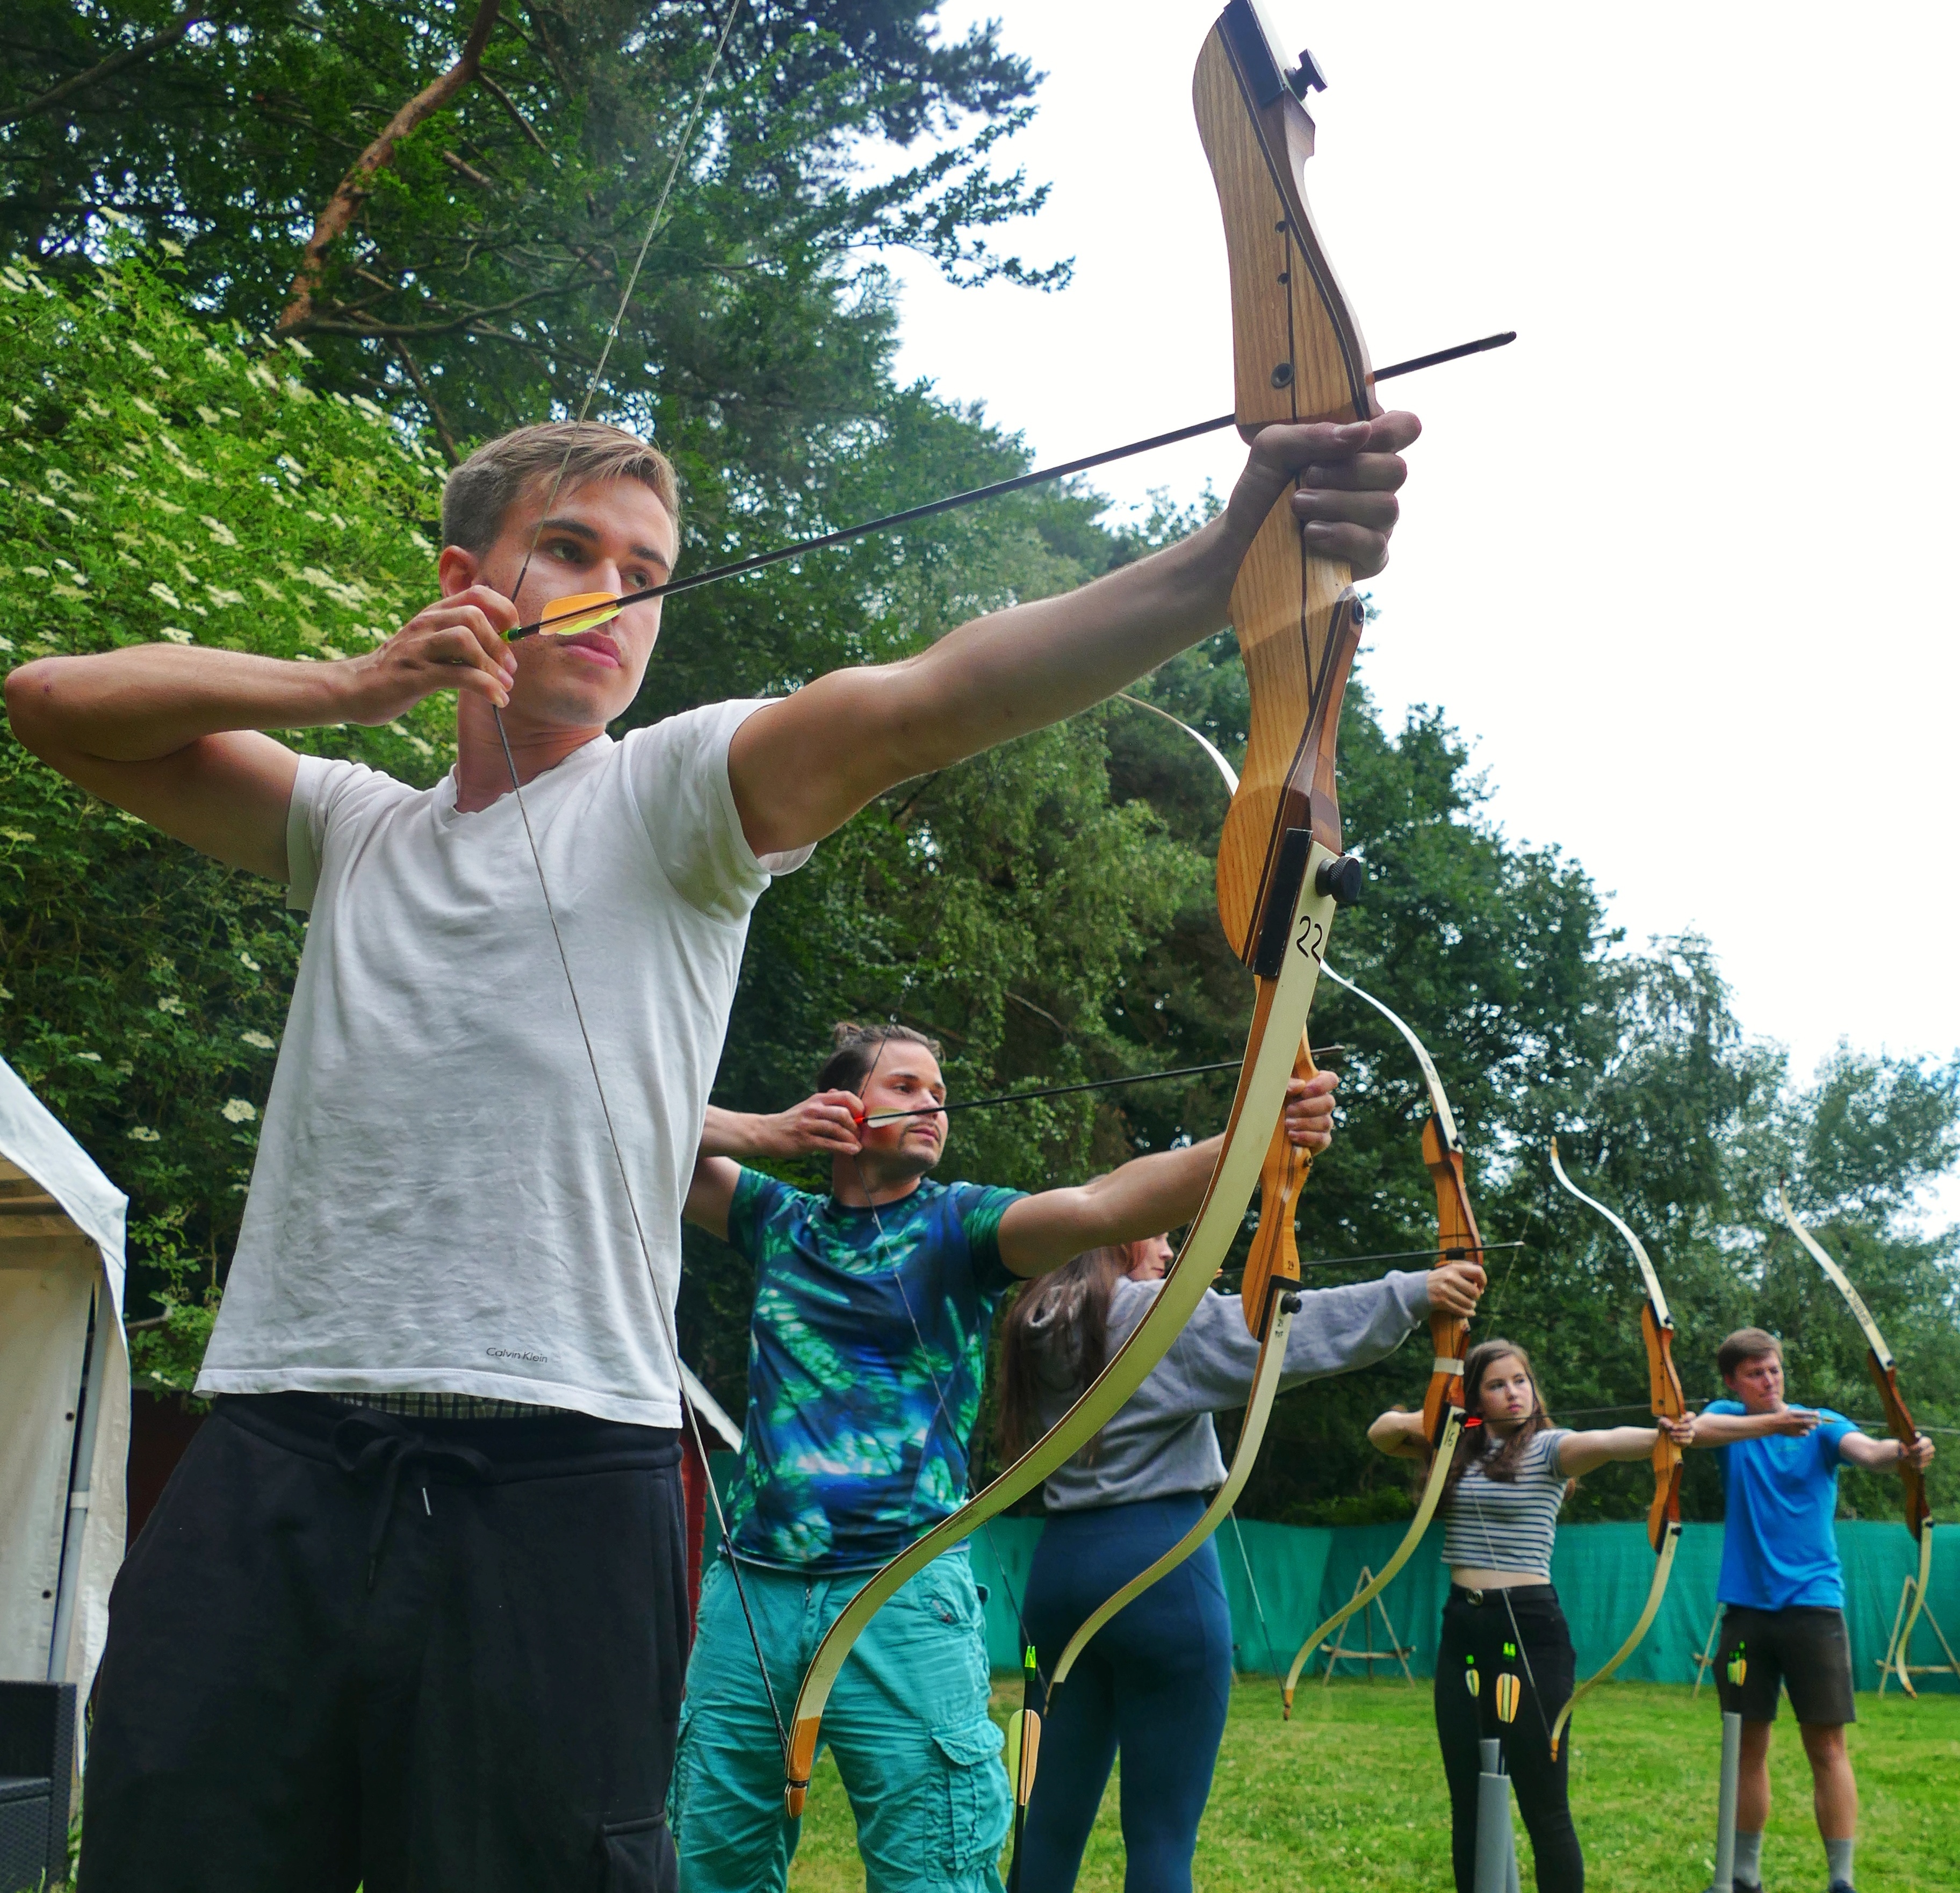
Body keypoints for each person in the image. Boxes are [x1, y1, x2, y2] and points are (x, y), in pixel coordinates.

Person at [5, 404, 1415, 1892]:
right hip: (277, 1442)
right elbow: (51, 699)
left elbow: (925, 696)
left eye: (649, 567)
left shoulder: (675, 796)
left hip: (555, 1468)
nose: (617, 590)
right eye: (569, 548)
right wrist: (345, 684)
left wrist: (1223, 562)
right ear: (462, 576)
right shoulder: (350, 825)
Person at [673, 1023, 1336, 1893]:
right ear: (840, 1107)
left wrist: (1252, 1137)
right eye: (905, 1085)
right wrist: (763, 1132)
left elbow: (1105, 1205)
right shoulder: (774, 1217)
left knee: (934, 1871)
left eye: (938, 1092)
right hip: (748, 1591)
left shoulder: (960, 1224)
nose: (932, 1104)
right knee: (705, 1862)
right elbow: (627, 1119)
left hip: (903, 1593)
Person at [995, 1228, 1486, 1892]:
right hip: (1160, 1568)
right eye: (1158, 1234)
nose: (1170, 1250)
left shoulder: (1033, 1322)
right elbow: (1283, 1334)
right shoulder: (1151, 1315)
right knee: (1162, 1837)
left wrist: (1191, 1288)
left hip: (1059, 1576)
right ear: (1115, 1237)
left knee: (1047, 1819)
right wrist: (1414, 1292)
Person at [1369, 1337, 1696, 1893]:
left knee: (1544, 1803)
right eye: (1496, 1384)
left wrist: (1664, 1435)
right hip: (1463, 1626)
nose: (1513, 1392)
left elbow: (1613, 1443)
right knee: (1468, 1800)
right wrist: (1440, 1416)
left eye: (1520, 1380)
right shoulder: (1454, 1445)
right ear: (1474, 1396)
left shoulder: (1550, 1447)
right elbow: (1381, 1432)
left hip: (1531, 1629)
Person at [1692, 1328, 1936, 1893]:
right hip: (1747, 1611)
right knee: (1746, 1743)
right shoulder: (1728, 1418)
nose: (1769, 1380)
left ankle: (1841, 1881)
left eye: (1774, 1369)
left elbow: (1869, 1452)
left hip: (1814, 1607)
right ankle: (1743, 1875)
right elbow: (1697, 1433)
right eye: (1755, 1373)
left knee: (1827, 1745)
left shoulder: (1819, 1422)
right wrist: (1768, 1423)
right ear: (1733, 1381)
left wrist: (1903, 1451)